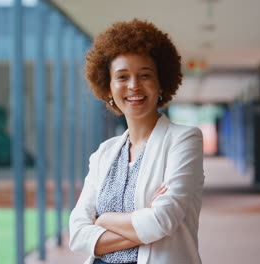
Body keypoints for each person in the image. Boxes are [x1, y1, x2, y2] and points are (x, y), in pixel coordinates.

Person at [69, 19, 205, 264]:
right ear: (109, 88)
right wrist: (143, 225)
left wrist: (103, 220)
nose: (133, 86)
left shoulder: (184, 140)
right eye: (122, 77)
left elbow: (162, 220)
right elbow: (78, 235)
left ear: (161, 82)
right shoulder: (104, 153)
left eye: (145, 75)